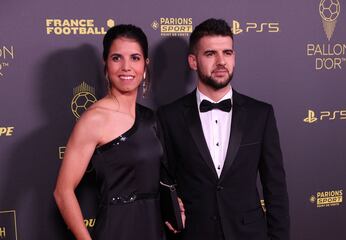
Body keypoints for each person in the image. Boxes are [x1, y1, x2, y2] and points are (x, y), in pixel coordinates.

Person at [157, 18, 290, 240]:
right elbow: (162, 179)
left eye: (227, 53)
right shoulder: (169, 116)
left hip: (249, 233)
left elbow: (275, 188)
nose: (221, 61)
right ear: (193, 61)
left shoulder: (261, 114)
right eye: (210, 54)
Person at [54, 24, 165, 240]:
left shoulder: (151, 118)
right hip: (116, 229)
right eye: (117, 58)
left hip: (154, 227)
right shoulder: (94, 119)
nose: (126, 67)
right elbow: (62, 192)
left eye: (135, 58)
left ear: (145, 65)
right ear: (105, 64)